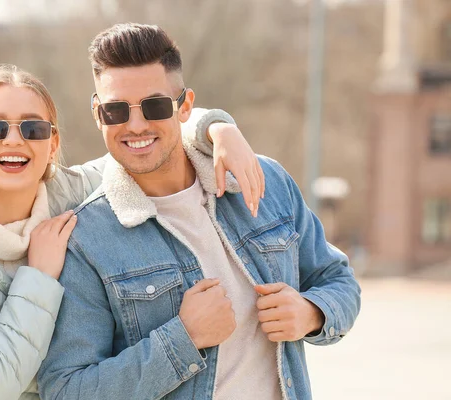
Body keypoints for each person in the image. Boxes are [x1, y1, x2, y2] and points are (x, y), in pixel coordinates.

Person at [0, 64, 265, 400]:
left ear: (53, 142)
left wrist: (218, 129)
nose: (14, 139)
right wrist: (38, 277)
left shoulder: (75, 194)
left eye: (32, 128)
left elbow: (146, 136)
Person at [37, 23, 361, 400]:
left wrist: (312, 313)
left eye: (155, 106)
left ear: (185, 106)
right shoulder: (88, 239)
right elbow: (66, 390)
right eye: (116, 110)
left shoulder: (263, 180)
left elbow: (338, 280)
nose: (136, 124)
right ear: (97, 113)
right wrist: (183, 339)